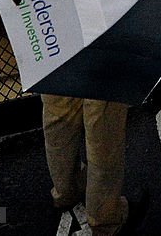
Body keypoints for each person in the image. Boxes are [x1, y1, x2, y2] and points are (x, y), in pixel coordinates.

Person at [42, 95, 142, 235]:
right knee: (103, 124)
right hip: (100, 73)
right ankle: (105, 218)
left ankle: (66, 191)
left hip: (49, 72)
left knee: (58, 109)